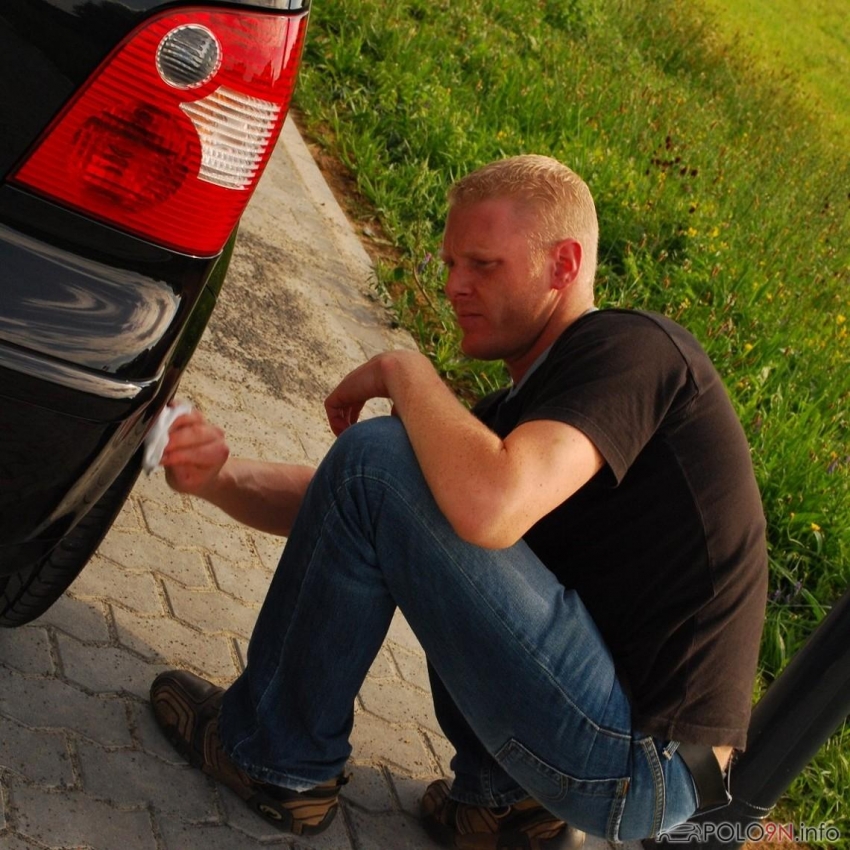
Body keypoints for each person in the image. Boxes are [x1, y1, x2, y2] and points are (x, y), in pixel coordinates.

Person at [150, 155, 768, 848]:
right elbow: (353, 509)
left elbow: (464, 502)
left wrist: (402, 368)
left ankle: (271, 756)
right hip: (643, 758)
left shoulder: (634, 351)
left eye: (482, 265)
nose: (452, 287)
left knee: (392, 460)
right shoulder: (527, 418)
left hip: (646, 765)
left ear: (564, 265)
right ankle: (503, 808)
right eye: (449, 264)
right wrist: (218, 477)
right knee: (407, 479)